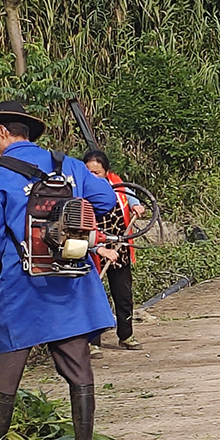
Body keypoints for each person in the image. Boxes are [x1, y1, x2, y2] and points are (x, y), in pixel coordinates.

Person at [0, 101, 119, 440]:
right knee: (76, 360)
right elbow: (105, 199)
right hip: (71, 274)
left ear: (3, 132)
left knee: (8, 364)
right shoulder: (68, 165)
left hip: (24, 278)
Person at [82, 149, 147, 354]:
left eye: (97, 172)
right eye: (89, 172)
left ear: (106, 172)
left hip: (120, 246)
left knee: (123, 294)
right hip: (92, 251)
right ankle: (92, 342)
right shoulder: (80, 190)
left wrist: (136, 206)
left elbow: (130, 196)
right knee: (93, 296)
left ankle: (126, 335)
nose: (93, 176)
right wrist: (98, 248)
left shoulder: (116, 184)